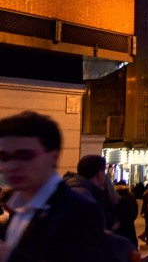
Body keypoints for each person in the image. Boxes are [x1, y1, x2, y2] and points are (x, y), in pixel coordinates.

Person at [0, 111, 107, 262]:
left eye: (24, 156)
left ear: (53, 157)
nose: (11, 166)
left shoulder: (80, 211)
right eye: (4, 157)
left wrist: (9, 256)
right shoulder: (18, 207)